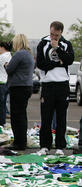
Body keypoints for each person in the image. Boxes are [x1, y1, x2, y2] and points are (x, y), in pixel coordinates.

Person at [36, 21, 74, 156]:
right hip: (48, 84)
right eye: (52, 34)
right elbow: (40, 63)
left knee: (61, 117)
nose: (53, 37)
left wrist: (57, 48)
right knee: (46, 117)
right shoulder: (43, 43)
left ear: (61, 33)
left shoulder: (66, 44)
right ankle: (44, 146)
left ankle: (60, 147)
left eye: (56, 35)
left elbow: (69, 60)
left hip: (62, 84)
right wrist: (57, 63)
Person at [4, 34, 35, 151]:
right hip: (27, 86)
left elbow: (10, 69)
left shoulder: (19, 54)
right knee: (22, 115)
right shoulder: (29, 54)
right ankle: (22, 141)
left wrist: (6, 65)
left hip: (18, 87)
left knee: (16, 116)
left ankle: (18, 142)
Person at [0, 42, 12, 128]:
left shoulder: (0, 57)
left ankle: (0, 123)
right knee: (4, 105)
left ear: (2, 47)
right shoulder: (11, 56)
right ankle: (3, 122)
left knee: (0, 105)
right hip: (7, 82)